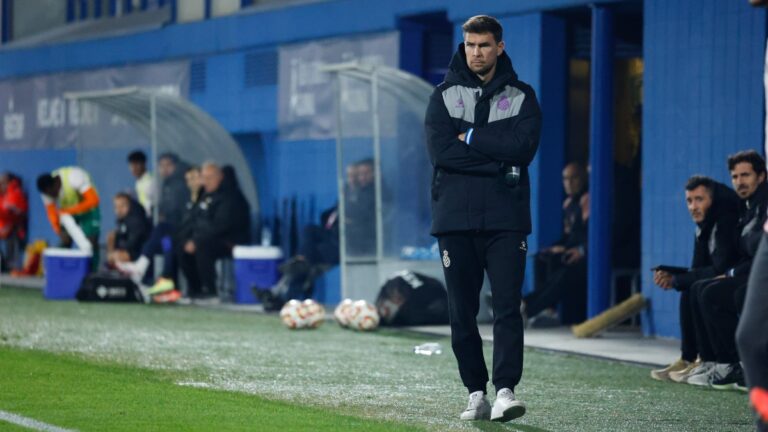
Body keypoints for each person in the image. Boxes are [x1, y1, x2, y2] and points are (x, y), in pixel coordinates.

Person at [425, 15, 541, 422]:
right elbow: (442, 153)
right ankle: (476, 392)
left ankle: (506, 390)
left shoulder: (523, 96)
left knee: (507, 306)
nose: (477, 52)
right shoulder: (443, 95)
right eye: (471, 45)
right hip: (454, 220)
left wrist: (471, 138)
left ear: (500, 47)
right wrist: (497, 156)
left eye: (484, 45)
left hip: (506, 220)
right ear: (464, 45)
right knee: (461, 311)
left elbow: (523, 149)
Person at [683, 150, 767, 389]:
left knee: (717, 293)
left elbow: (761, 251)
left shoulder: (763, 205)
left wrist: (730, 273)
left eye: (746, 175)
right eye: (735, 176)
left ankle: (733, 364)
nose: (740, 182)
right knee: (699, 288)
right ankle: (712, 361)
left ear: (761, 176)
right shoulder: (747, 207)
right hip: (751, 274)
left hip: (759, 277)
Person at [650, 176, 739, 382]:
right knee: (690, 286)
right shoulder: (703, 223)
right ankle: (689, 358)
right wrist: (674, 275)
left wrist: (678, 279)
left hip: (739, 277)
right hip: (724, 276)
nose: (693, 206)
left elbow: (721, 267)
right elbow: (698, 268)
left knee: (698, 287)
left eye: (699, 199)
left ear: (712, 199)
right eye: (689, 201)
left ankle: (716, 361)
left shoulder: (725, 220)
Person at [521, 162, 589, 326]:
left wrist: (581, 250)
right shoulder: (568, 204)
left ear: (583, 179)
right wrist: (556, 247)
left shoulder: (588, 200)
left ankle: (528, 307)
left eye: (574, 178)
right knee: (543, 258)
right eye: (566, 179)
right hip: (572, 252)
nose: (569, 183)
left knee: (563, 274)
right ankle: (545, 310)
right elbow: (569, 235)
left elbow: (593, 235)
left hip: (587, 257)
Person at [177, 162, 250, 302]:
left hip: (229, 241)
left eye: (210, 177)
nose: (206, 181)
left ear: (220, 177)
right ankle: (195, 289)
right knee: (181, 246)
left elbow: (221, 226)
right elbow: (194, 220)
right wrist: (188, 239)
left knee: (202, 246)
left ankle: (210, 290)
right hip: (206, 238)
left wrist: (196, 240)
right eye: (204, 177)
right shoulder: (205, 196)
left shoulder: (230, 197)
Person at [117, 153, 189, 288]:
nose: (164, 169)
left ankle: (146, 272)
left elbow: (173, 210)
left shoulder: (176, 185)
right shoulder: (167, 184)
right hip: (167, 231)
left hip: (177, 230)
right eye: (161, 165)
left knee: (159, 235)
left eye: (168, 165)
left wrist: (160, 213)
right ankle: (165, 280)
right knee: (165, 243)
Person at [36, 167, 101, 269]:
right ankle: (61, 270)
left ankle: (93, 271)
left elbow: (93, 200)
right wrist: (57, 229)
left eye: (53, 193)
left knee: (90, 241)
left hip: (88, 209)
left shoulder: (74, 177)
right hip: (68, 212)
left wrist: (70, 211)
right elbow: (52, 212)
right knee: (65, 240)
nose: (53, 197)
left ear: (55, 184)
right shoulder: (46, 191)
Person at [106, 192, 151, 268]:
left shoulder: (135, 220)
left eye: (120, 206)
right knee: (111, 236)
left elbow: (133, 243)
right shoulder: (123, 219)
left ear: (127, 206)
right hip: (130, 249)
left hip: (141, 253)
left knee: (117, 256)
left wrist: (119, 252)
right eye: (116, 207)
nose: (117, 210)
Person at [0, 173, 29, 272]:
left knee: (11, 233)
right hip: (4, 228)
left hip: (15, 229)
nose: (1, 185)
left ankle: (13, 266)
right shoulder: (3, 195)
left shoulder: (15, 193)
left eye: (4, 183)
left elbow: (19, 214)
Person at [127, 150, 154, 216]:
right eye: (131, 166)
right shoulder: (139, 181)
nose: (133, 169)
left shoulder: (151, 179)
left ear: (143, 164)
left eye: (136, 165)